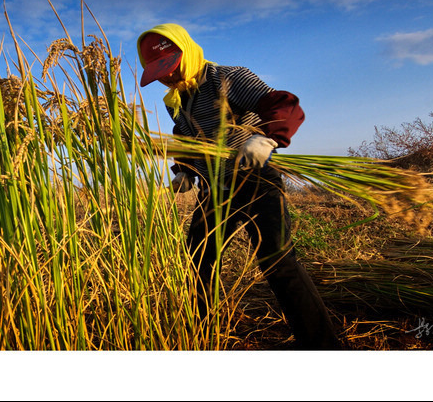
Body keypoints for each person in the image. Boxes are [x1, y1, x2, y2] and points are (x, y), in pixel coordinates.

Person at [137, 23, 344, 350]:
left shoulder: (227, 77)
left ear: (186, 54)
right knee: (199, 257)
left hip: (255, 179)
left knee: (278, 262)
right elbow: (185, 137)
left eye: (172, 69)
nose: (169, 77)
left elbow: (283, 105)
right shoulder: (176, 100)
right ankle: (204, 336)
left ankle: (324, 347)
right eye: (160, 72)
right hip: (214, 188)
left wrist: (266, 138)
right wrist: (184, 171)